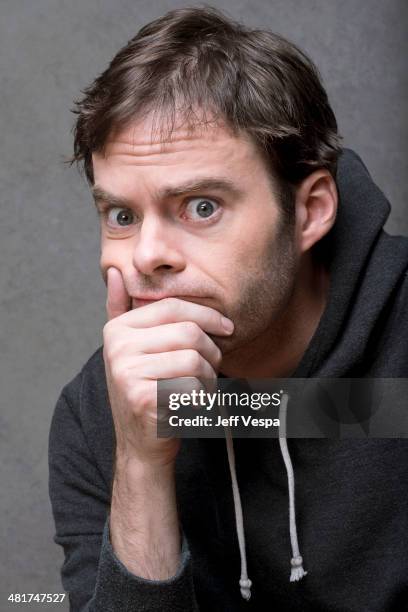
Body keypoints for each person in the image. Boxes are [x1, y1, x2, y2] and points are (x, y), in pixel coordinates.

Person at [48, 7, 408, 611]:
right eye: (122, 216)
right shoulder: (100, 411)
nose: (148, 255)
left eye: (202, 207)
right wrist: (141, 460)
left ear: (311, 211)